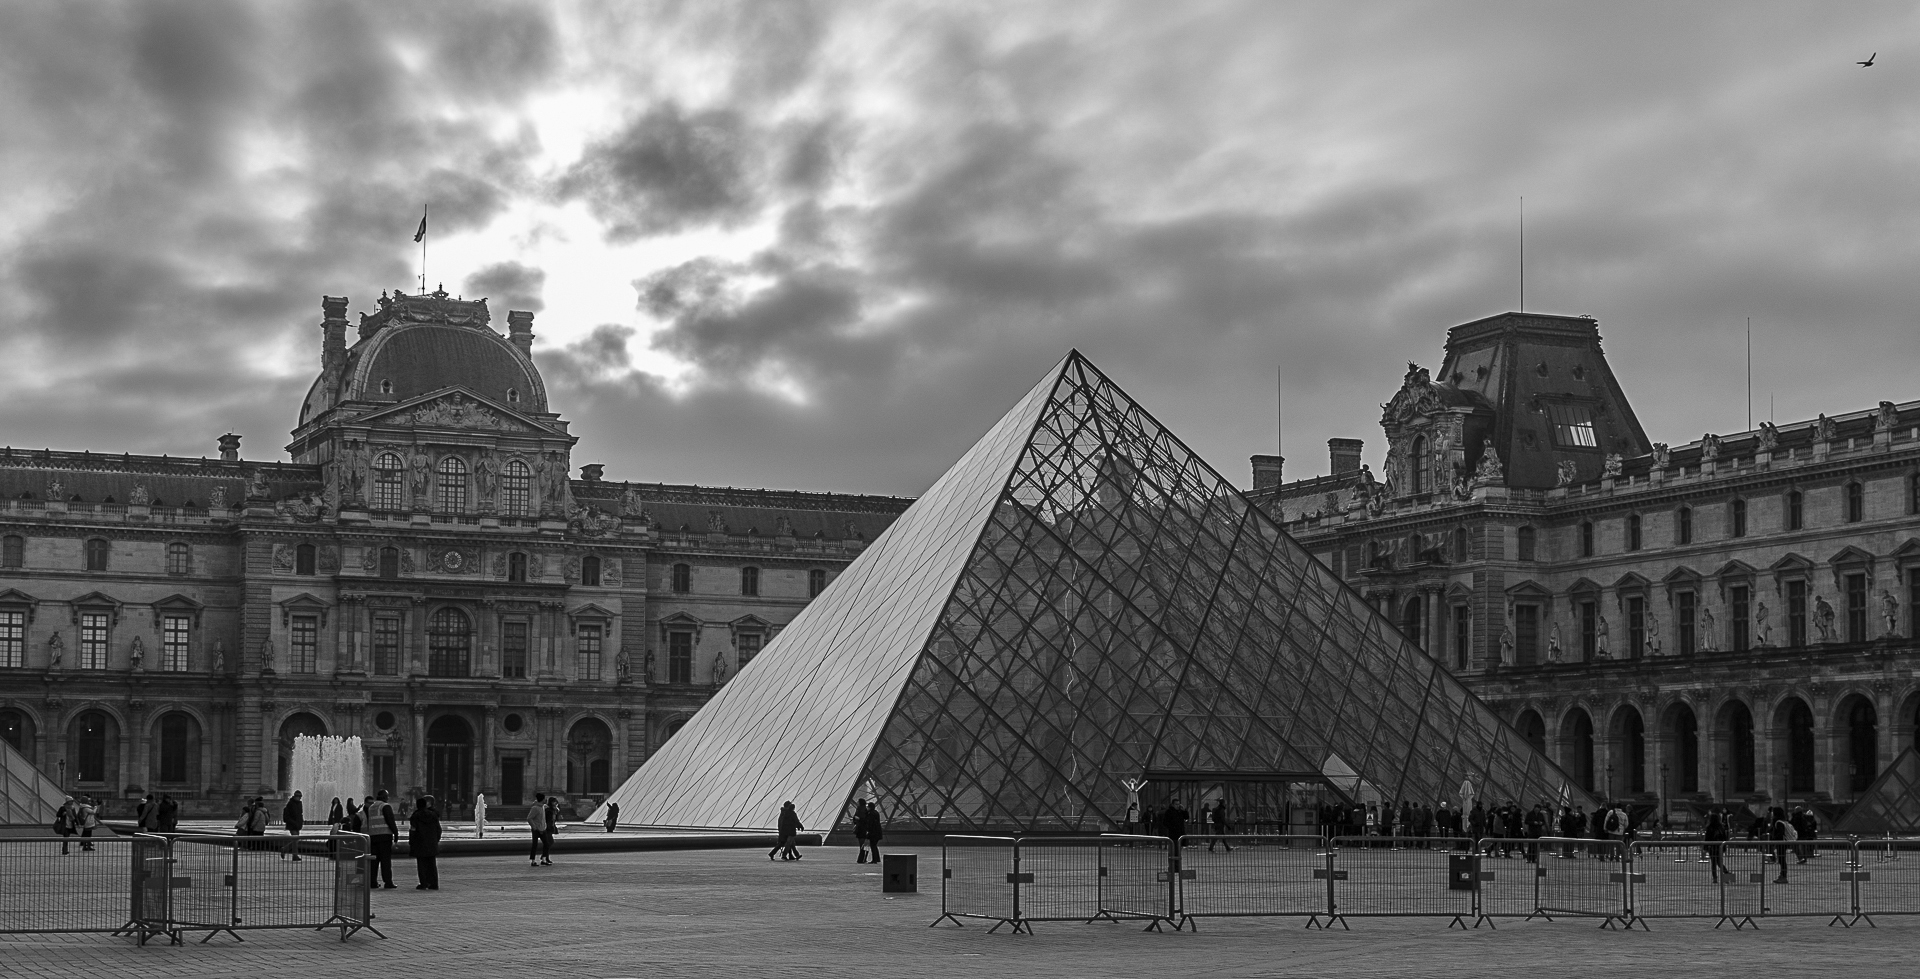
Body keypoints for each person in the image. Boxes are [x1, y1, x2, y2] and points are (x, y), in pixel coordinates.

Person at [364, 790, 398, 889]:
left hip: (373, 837)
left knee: (374, 861)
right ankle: (388, 882)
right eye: (387, 796)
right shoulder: (385, 806)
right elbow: (390, 820)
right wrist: (395, 833)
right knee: (385, 861)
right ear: (383, 797)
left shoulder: (371, 807)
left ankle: (372, 882)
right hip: (384, 836)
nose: (387, 798)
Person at [410, 796, 442, 890]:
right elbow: (438, 829)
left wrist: (412, 842)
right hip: (432, 843)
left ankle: (423, 883)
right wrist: (436, 840)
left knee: (421, 864)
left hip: (420, 843)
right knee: (432, 864)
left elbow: (413, 830)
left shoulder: (415, 816)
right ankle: (434, 883)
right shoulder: (433, 815)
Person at [1703, 807, 1730, 883]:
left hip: (1712, 847)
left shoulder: (1709, 827)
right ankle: (1726, 874)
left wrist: (1705, 847)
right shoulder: (1721, 827)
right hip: (1720, 847)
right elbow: (1724, 837)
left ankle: (1715, 878)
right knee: (1719, 862)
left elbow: (1707, 838)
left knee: (1713, 863)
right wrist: (1724, 847)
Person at [1770, 807, 1796, 883]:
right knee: (1782, 860)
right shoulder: (1783, 821)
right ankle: (1782, 875)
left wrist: (1774, 841)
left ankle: (1783, 876)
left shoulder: (1778, 822)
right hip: (1784, 843)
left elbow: (1779, 834)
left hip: (1781, 843)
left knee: (1782, 860)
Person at [528, 792, 551, 866]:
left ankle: (543, 859)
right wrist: (534, 827)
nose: (546, 799)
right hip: (536, 829)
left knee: (546, 844)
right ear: (542, 799)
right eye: (545, 798)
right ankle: (533, 860)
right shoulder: (535, 808)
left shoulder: (543, 806)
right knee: (535, 845)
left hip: (543, 828)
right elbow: (529, 818)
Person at [282, 790, 306, 861]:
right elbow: (287, 816)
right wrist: (293, 822)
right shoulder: (290, 804)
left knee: (296, 840)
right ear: (295, 796)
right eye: (298, 796)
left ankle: (285, 849)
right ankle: (295, 855)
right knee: (295, 839)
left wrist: (301, 822)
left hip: (297, 824)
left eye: (300, 797)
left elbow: (300, 814)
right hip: (292, 825)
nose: (299, 798)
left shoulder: (299, 804)